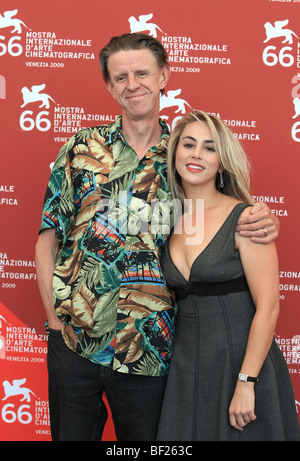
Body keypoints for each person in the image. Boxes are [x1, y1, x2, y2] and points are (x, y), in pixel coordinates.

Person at [35, 33, 279, 441]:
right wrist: (55, 322)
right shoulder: (80, 148)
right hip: (74, 339)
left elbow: (221, 212)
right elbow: (48, 238)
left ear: (164, 76)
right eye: (122, 76)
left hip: (149, 346)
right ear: (110, 86)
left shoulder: (183, 157)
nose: (134, 84)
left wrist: (261, 217)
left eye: (143, 73)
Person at [156, 110, 300, 441]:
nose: (196, 154)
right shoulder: (167, 220)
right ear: (175, 152)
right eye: (188, 144)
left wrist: (247, 381)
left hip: (241, 365)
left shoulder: (246, 218)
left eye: (209, 148)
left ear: (221, 162)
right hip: (187, 368)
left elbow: (269, 307)